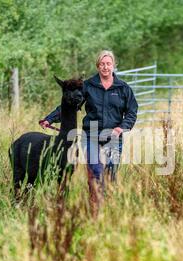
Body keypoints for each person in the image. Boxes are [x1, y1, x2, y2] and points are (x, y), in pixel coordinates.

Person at [39, 50, 138, 215]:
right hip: (91, 135)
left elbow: (132, 112)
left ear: (113, 65)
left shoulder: (123, 88)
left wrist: (121, 127)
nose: (105, 67)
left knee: (110, 175)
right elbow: (70, 103)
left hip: (114, 137)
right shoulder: (88, 86)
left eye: (108, 64)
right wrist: (50, 118)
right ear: (97, 66)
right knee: (96, 171)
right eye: (102, 64)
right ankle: (95, 209)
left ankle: (108, 209)